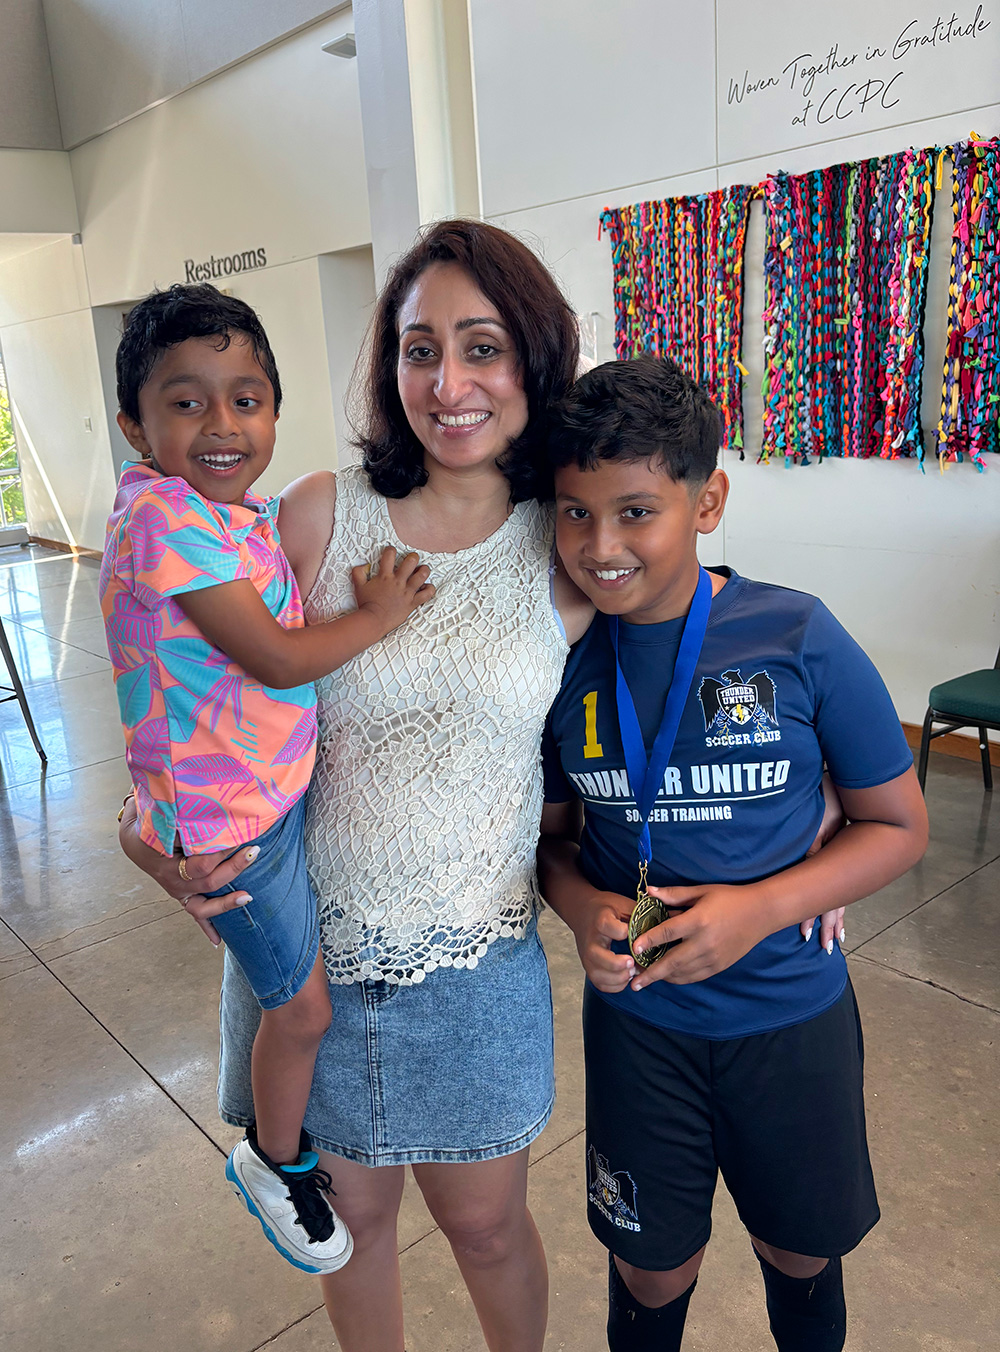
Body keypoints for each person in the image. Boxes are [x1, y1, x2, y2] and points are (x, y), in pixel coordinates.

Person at [117, 220, 594, 1352]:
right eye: (419, 347)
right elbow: (189, 686)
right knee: (348, 1223)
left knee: (484, 1226)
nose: (449, 381)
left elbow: (701, 652)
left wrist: (798, 824)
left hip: (473, 957)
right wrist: (145, 830)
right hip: (311, 949)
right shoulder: (321, 518)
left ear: (532, 358)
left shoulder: (566, 543)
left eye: (481, 347)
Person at [537, 355, 929, 1352]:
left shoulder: (794, 632)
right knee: (649, 1258)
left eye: (634, 510)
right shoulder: (557, 660)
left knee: (798, 1247)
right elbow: (551, 847)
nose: (600, 545)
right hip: (638, 1026)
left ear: (706, 499)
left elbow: (898, 823)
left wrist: (763, 904)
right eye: (574, 513)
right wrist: (582, 908)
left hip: (789, 1016)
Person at [102, 285, 434, 1275]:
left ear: (275, 413)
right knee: (302, 1010)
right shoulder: (164, 519)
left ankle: (276, 1143)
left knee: (301, 995)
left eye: (246, 398)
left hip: (265, 798)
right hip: (231, 826)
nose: (222, 423)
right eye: (186, 401)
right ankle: (274, 1160)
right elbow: (278, 658)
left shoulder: (233, 514)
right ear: (134, 424)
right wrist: (377, 615)